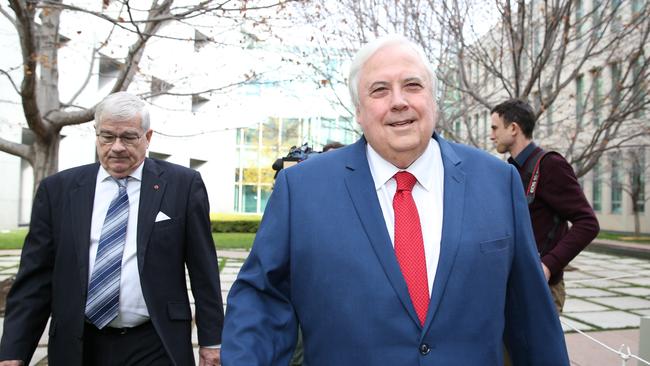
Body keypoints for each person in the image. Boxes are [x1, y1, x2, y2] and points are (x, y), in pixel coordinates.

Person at [221, 35, 569, 365]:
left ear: (433, 98)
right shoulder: (301, 189)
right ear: (358, 111)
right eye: (380, 90)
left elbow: (531, 317)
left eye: (413, 86)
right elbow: (261, 301)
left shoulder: (498, 182)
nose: (399, 101)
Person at [0, 92, 224, 366]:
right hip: (79, 342)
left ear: (148, 137)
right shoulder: (58, 190)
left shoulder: (183, 185)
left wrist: (212, 341)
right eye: (107, 136)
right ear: (96, 135)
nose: (116, 147)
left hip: (155, 340)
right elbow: (34, 279)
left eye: (128, 137)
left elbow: (204, 270)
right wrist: (13, 352)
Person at [490, 99, 599, 312]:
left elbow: (588, 223)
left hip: (541, 289)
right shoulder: (511, 170)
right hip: (514, 286)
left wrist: (548, 265)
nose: (491, 135)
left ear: (513, 129)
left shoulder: (550, 165)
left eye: (495, 128)